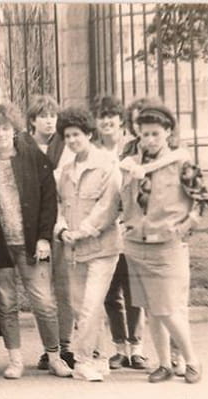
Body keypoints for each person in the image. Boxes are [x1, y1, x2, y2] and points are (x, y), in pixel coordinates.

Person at [0, 101, 72, 379]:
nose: (1, 134)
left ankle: (54, 356)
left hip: (31, 243)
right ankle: (15, 359)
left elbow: (49, 200)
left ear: (14, 129)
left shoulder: (32, 156)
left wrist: (44, 237)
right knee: (6, 304)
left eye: (5, 128)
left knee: (44, 301)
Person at [119, 103, 208, 384]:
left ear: (168, 132)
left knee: (168, 309)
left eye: (155, 134)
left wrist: (184, 227)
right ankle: (164, 363)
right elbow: (122, 199)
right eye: (145, 134)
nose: (150, 140)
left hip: (167, 246)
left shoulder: (182, 163)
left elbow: (203, 199)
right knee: (151, 310)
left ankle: (192, 360)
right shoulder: (131, 163)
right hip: (136, 244)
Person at [55, 107, 122, 382]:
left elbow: (109, 206)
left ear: (89, 134)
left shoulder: (108, 165)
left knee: (91, 305)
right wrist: (62, 230)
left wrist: (82, 231)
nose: (72, 140)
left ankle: (82, 361)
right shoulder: (65, 172)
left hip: (102, 248)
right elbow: (58, 206)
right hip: (73, 250)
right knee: (79, 305)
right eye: (67, 136)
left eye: (77, 134)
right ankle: (101, 357)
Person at [92, 95, 148, 370]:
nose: (106, 121)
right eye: (101, 116)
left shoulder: (132, 147)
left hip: (131, 226)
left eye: (111, 116)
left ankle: (136, 348)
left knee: (134, 288)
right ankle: (119, 348)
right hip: (105, 228)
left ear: (120, 120)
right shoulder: (92, 150)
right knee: (111, 291)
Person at [20, 95, 75, 370]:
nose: (49, 121)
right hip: (36, 225)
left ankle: (66, 345)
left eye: (53, 115)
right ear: (32, 120)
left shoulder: (66, 146)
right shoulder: (23, 147)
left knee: (64, 288)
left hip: (63, 223)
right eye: (43, 116)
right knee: (42, 293)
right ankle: (48, 347)